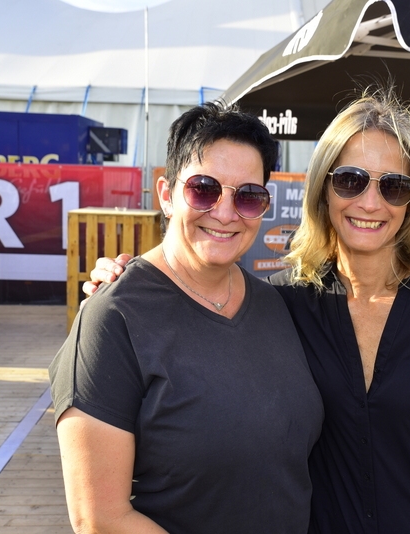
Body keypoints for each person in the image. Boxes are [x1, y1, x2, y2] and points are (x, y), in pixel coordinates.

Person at [86, 92, 410, 533]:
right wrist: (129, 279)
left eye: (393, 186)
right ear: (323, 188)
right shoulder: (283, 301)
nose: (370, 203)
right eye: (350, 180)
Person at [49, 103, 325, 533]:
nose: (225, 213)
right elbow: (100, 518)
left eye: (248, 196)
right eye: (204, 189)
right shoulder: (114, 317)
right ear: (166, 195)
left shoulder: (276, 304)